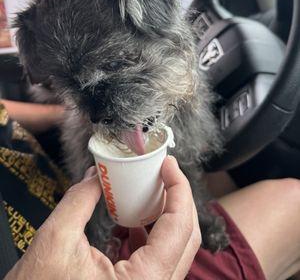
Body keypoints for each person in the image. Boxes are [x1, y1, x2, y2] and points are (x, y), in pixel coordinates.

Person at [1, 99, 300, 280]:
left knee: (221, 173)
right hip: (84, 266)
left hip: (57, 187)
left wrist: (75, 112)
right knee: (293, 201)